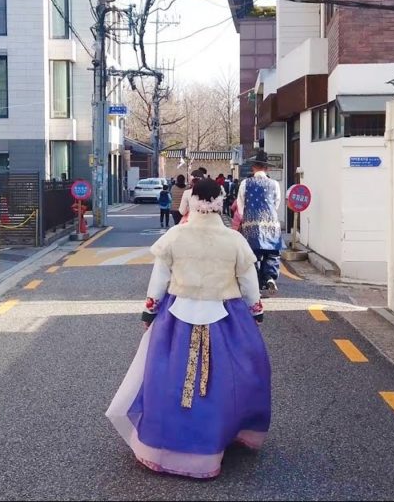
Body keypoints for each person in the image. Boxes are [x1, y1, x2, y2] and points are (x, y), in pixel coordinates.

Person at [106, 179, 271, 479]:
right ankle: (218, 440)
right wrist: (256, 312)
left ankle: (166, 445)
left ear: (191, 201)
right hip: (226, 317)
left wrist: (149, 311)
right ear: (221, 202)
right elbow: (249, 282)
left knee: (168, 378)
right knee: (227, 380)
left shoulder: (175, 236)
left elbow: (159, 280)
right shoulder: (234, 240)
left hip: (176, 318)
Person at [236, 151, 284, 294]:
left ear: (253, 168)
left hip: (251, 223)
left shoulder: (245, 183)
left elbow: (240, 205)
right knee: (272, 253)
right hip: (271, 224)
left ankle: (255, 282)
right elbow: (276, 203)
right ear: (267, 168)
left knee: (253, 254)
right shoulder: (274, 184)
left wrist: (245, 218)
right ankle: (269, 277)